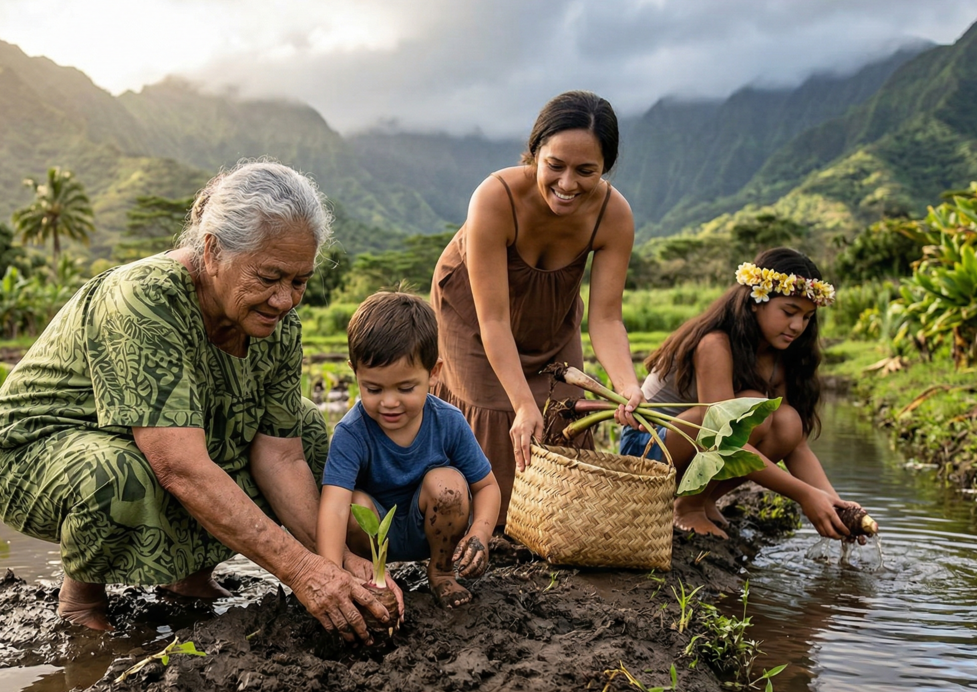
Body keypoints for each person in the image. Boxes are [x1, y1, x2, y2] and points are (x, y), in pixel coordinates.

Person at [0, 160, 396, 643]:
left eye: (299, 281)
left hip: (156, 446)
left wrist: (336, 564)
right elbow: (179, 466)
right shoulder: (144, 299)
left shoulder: (279, 325)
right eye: (270, 277)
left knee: (308, 429)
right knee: (117, 471)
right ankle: (81, 600)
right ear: (212, 250)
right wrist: (301, 571)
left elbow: (281, 456)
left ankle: (187, 580)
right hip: (32, 452)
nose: (284, 300)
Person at [432, 90, 643, 523]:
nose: (568, 185)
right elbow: (492, 319)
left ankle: (550, 529)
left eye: (586, 171)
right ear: (534, 154)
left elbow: (606, 318)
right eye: (555, 166)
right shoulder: (496, 197)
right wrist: (523, 403)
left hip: (553, 316)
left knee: (563, 420)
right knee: (498, 415)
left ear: (606, 168)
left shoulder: (613, 215)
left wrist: (626, 385)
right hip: (474, 314)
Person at [618, 247, 859, 540]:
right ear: (756, 301)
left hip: (693, 448)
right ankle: (688, 507)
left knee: (788, 421)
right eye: (789, 312)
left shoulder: (780, 359)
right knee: (751, 412)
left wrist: (835, 503)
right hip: (647, 450)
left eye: (807, 317)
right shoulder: (715, 344)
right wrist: (805, 495)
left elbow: (797, 446)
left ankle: (702, 500)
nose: (797, 326)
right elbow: (719, 436)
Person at [317, 292, 501, 608]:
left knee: (448, 484)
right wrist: (332, 575)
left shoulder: (448, 422)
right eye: (373, 389)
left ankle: (442, 573)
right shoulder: (351, 432)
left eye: (405, 388)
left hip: (429, 530)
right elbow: (333, 508)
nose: (389, 402)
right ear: (354, 372)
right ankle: (368, 580)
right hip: (373, 538)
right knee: (352, 503)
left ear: (433, 373)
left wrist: (480, 534)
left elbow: (485, 487)